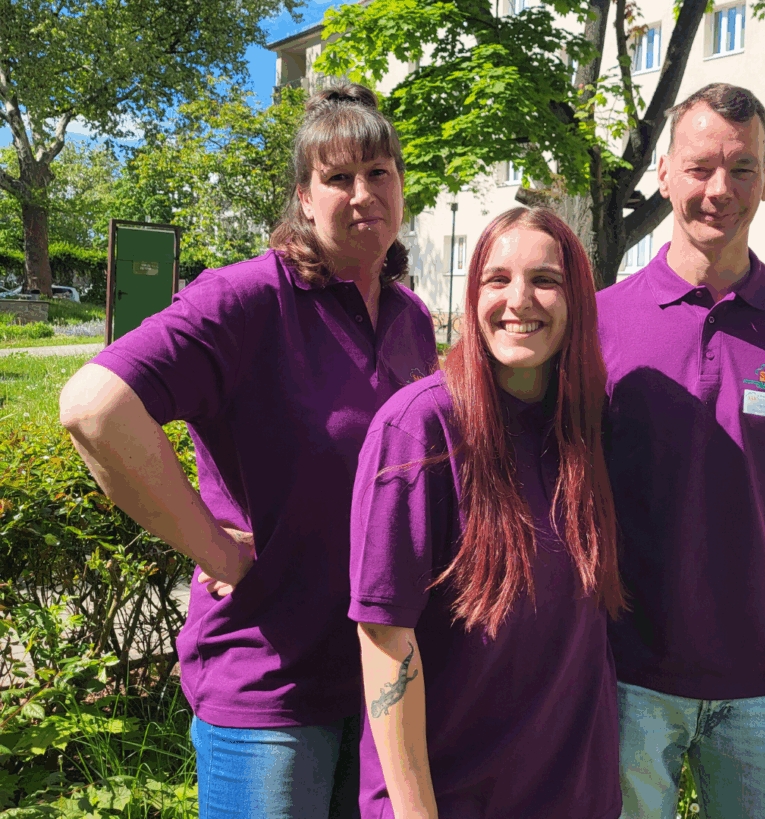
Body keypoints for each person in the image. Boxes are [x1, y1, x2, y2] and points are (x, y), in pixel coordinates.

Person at [58, 85, 438, 819]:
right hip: (269, 691)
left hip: (381, 682)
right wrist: (215, 548)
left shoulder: (411, 320)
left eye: (380, 172)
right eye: (338, 177)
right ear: (303, 195)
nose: (364, 194)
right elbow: (93, 407)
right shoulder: (245, 299)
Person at [597, 83, 765, 819]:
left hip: (764, 679)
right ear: (666, 175)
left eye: (742, 169)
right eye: (701, 167)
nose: (720, 189)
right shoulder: (601, 323)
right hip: (627, 672)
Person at [348, 206, 626, 819]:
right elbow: (384, 637)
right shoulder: (418, 428)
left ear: (577, 298)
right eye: (496, 279)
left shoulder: (591, 425)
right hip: (449, 798)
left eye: (545, 280)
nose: (518, 300)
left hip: (574, 796)